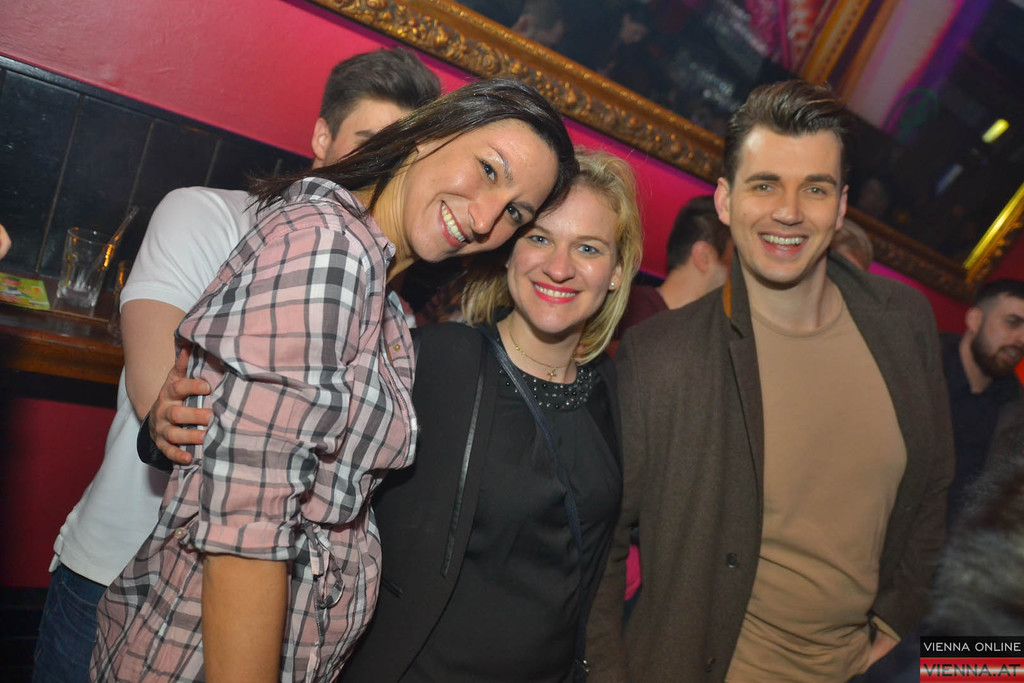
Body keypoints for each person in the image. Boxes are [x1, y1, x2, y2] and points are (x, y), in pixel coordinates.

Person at [90, 77, 577, 682]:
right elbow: (247, 531)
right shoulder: (331, 248)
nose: (484, 218)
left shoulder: (386, 296)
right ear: (429, 135)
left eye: (515, 212)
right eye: (488, 169)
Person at [150, 148, 643, 682]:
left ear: (616, 272)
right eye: (540, 238)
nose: (560, 267)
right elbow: (282, 448)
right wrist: (169, 421)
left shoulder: (610, 389)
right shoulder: (437, 361)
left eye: (588, 248)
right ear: (509, 253)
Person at [32, 48, 442, 683]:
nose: (383, 169)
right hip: (117, 572)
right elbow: (163, 398)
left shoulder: (394, 314)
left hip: (262, 619)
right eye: (370, 142)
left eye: (403, 156)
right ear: (322, 137)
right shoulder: (208, 215)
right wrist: (179, 416)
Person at [586, 80, 954, 681]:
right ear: (725, 201)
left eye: (815, 189)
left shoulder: (903, 321)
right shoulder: (661, 356)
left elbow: (934, 484)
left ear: (841, 207)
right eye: (765, 185)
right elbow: (601, 550)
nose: (789, 211)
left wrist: (894, 621)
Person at [940, 278, 1024, 523]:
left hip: (954, 542)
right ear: (975, 320)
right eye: (1012, 323)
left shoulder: (1016, 410)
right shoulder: (920, 370)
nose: (1021, 339)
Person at [615, 194, 732, 334]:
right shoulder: (627, 315)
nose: (740, 277)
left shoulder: (698, 333)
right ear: (703, 257)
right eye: (734, 262)